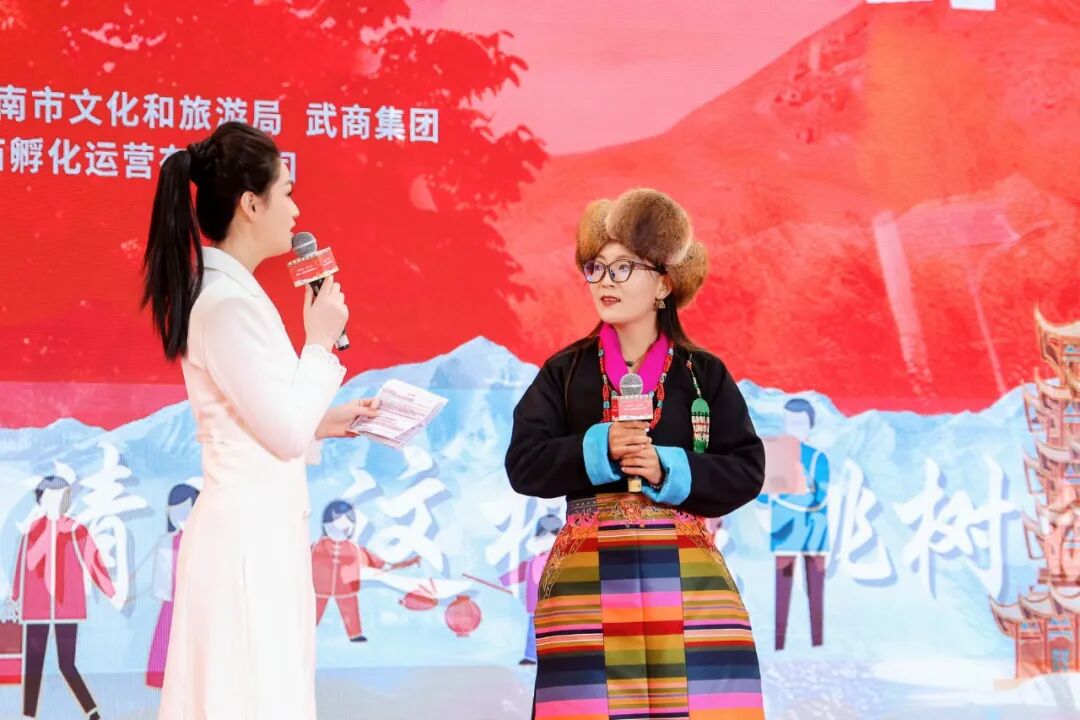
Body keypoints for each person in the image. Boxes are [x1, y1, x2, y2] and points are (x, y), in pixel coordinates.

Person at [141, 121, 378, 719]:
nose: (296, 211)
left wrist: (326, 420)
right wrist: (319, 342)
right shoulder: (224, 304)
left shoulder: (235, 296)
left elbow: (265, 417)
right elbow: (282, 432)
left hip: (261, 536)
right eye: (287, 193)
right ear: (251, 204)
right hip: (244, 545)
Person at [505, 188, 767, 718]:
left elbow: (747, 468)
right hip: (586, 580)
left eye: (623, 268)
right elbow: (524, 464)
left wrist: (670, 467)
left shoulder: (703, 373)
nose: (606, 281)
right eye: (596, 268)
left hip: (687, 578)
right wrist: (596, 446)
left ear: (665, 283)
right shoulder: (565, 372)